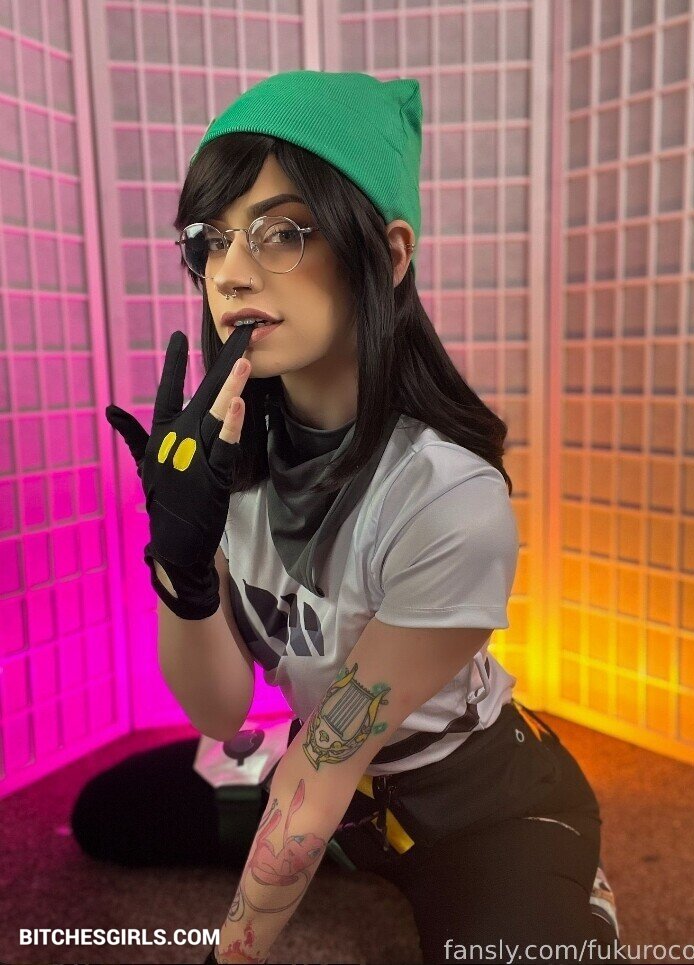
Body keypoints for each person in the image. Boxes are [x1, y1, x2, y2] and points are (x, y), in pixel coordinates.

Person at [86, 70, 623, 964]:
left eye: (281, 232)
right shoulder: (226, 457)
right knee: (107, 813)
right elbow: (220, 709)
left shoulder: (447, 497)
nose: (230, 272)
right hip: (329, 785)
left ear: (389, 253)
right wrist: (179, 568)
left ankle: (565, 879)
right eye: (211, 240)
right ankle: (340, 844)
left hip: (466, 802)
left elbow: (326, 760)